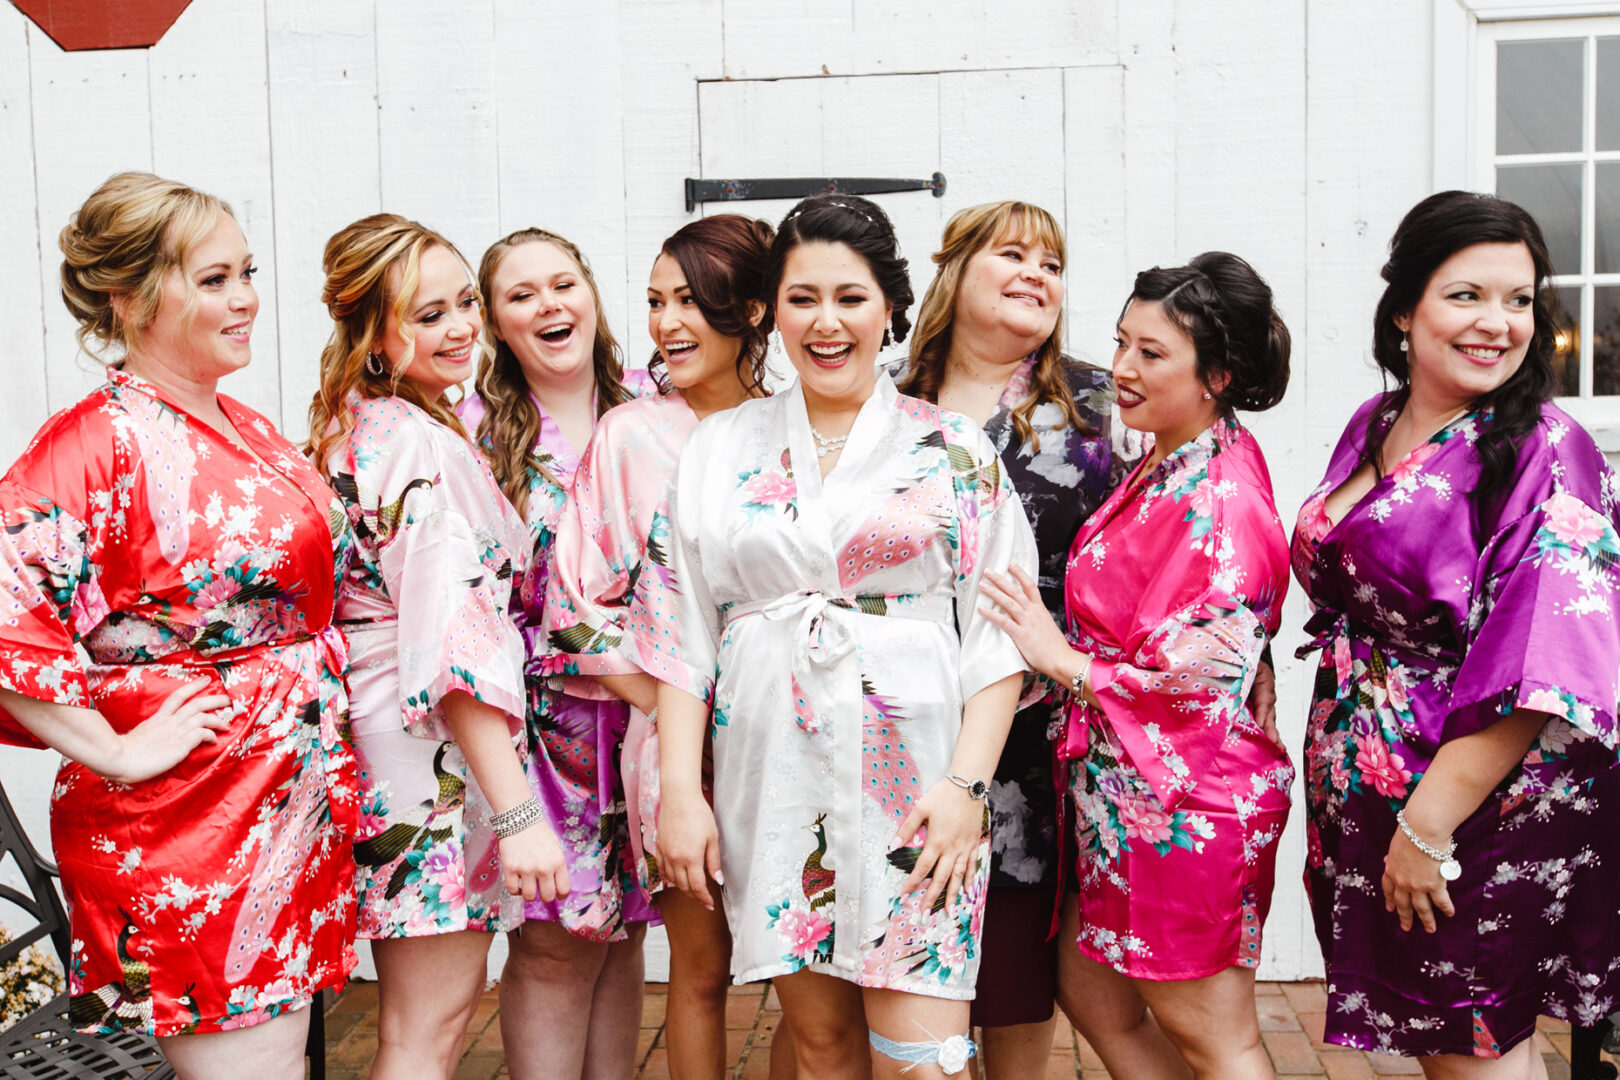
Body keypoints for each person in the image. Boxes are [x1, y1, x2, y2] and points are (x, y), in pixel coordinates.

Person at [645, 194, 1036, 1080]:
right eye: (803, 298)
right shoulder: (718, 448)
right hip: (772, 777)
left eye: (850, 298)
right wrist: (679, 790)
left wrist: (969, 784)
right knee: (821, 1045)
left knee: (926, 1056)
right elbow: (679, 630)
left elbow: (998, 634)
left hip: (922, 779)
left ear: (889, 307)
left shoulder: (954, 448)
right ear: (770, 311)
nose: (827, 323)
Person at [0, 171, 357, 1080]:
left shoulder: (242, 423)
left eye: (246, 272)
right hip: (193, 818)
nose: (245, 300)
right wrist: (113, 749)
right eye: (213, 279)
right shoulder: (95, 440)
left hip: (281, 804)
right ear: (127, 297)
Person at [1292, 191, 1620, 1077]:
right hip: (1369, 794)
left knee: (1479, 1054)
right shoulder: (1378, 422)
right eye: (1467, 295)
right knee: (1448, 1052)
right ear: (1405, 308)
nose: (1498, 323)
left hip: (1473, 807)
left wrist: (1426, 827)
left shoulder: (1549, 451)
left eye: (1520, 300)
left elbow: (1544, 666)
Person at [981, 251, 1294, 1080]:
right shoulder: (1172, 452)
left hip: (1190, 802)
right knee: (1095, 998)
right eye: (1121, 342)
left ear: (1217, 374)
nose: (1120, 368)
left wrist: (1061, 659)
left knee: (1217, 1038)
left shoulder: (1221, 497)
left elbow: (1196, 688)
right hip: (1124, 793)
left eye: (1151, 354)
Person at [306, 214, 569, 1080]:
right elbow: (452, 640)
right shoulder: (412, 442)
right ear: (375, 334)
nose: (460, 328)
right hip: (430, 757)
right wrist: (521, 815)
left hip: (394, 741)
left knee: (422, 1022)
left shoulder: (367, 426)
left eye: (464, 304)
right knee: (429, 1025)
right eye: (428, 316)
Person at [540, 213, 798, 1080]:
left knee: (803, 966)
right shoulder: (631, 436)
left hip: (797, 736)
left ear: (753, 310)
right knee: (702, 971)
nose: (666, 323)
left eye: (691, 301)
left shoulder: (796, 429)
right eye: (655, 302)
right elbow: (575, 606)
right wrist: (677, 707)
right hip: (681, 753)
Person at [891, 199, 1127, 1074]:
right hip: (900, 718)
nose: (1038, 274)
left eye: (1054, 263)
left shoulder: (1100, 405)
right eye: (1014, 253)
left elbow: (1175, 538)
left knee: (1019, 977)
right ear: (956, 271)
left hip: (1041, 732)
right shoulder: (886, 397)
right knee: (903, 958)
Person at [459, 227, 652, 1080]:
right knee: (555, 944)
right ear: (498, 324)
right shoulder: (473, 433)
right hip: (546, 731)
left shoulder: (652, 403)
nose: (549, 305)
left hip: (649, 713)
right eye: (521, 295)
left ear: (592, 295)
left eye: (563, 283)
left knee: (624, 935)